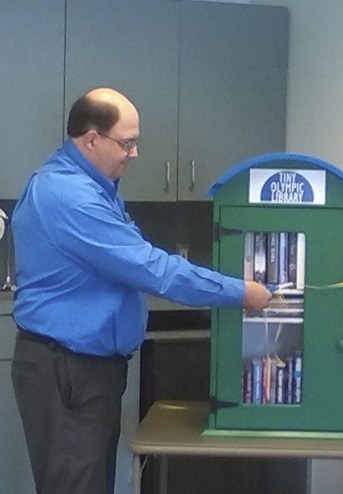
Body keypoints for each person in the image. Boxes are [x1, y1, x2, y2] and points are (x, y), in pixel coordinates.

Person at [10, 87, 272, 494]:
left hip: (87, 370)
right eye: (127, 143)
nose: (134, 153)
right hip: (66, 371)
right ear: (92, 139)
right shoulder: (70, 196)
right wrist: (240, 293)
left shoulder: (95, 187)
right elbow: (153, 270)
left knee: (91, 483)